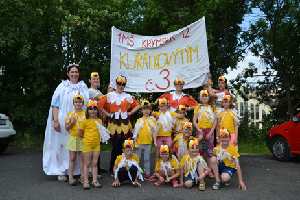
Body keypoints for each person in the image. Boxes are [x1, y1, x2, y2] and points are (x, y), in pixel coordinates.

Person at [43, 64, 89, 182]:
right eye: (72, 72)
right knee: (63, 146)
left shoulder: (83, 87)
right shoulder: (61, 87)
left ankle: (78, 171)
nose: (74, 74)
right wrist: (56, 121)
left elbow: (88, 106)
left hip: (80, 122)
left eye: (76, 72)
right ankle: (61, 170)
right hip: (64, 122)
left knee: (79, 146)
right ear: (67, 74)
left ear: (79, 74)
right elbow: (55, 105)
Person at [97, 75, 141, 177]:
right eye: (119, 83)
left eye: (123, 84)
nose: (120, 86)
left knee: (126, 145)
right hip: (114, 124)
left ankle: (126, 167)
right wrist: (107, 114)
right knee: (116, 147)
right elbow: (99, 104)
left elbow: (138, 105)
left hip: (125, 124)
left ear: (124, 85)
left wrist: (130, 113)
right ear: (116, 84)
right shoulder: (110, 95)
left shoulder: (128, 96)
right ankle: (113, 167)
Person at [78, 98, 110, 189]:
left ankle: (95, 181)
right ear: (87, 110)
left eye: (94, 109)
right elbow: (80, 132)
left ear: (97, 110)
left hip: (96, 145)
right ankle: (86, 181)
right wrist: (87, 138)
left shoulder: (99, 121)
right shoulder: (84, 121)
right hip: (87, 144)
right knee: (87, 163)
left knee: (95, 163)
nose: (93, 111)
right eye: (90, 109)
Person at [152, 98, 182, 177]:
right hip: (159, 137)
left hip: (168, 136)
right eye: (161, 106)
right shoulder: (157, 113)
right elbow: (149, 113)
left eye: (165, 106)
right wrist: (154, 114)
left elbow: (181, 115)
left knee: (169, 152)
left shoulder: (170, 113)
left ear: (167, 106)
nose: (163, 108)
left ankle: (170, 169)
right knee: (158, 154)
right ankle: (156, 171)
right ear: (159, 107)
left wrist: (175, 117)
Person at [193, 90, 217, 178]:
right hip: (200, 131)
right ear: (200, 98)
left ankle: (209, 170)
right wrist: (198, 129)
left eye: (206, 96)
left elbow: (215, 121)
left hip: (209, 131)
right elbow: (194, 121)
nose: (204, 98)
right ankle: (201, 169)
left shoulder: (213, 107)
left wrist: (211, 132)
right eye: (202, 96)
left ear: (208, 97)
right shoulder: (197, 107)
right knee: (200, 151)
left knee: (210, 152)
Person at [88, 71, 108, 175]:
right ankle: (92, 168)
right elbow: (103, 98)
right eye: (94, 79)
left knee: (98, 142)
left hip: (100, 119)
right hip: (94, 119)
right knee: (93, 142)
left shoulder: (98, 90)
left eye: (97, 79)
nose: (96, 80)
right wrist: (110, 92)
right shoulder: (91, 90)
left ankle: (97, 166)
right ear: (90, 80)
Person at [132, 99, 157, 181]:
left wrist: (155, 142)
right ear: (141, 110)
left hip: (148, 143)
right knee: (137, 158)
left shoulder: (152, 120)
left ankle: (147, 174)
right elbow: (136, 133)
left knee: (147, 159)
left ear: (150, 110)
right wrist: (135, 142)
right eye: (144, 109)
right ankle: (136, 173)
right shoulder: (139, 120)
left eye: (148, 109)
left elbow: (154, 132)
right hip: (139, 143)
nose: (146, 111)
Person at [65, 93, 86, 185]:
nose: (78, 104)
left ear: (83, 103)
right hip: (73, 137)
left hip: (82, 138)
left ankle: (82, 176)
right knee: (72, 157)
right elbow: (66, 128)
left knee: (82, 157)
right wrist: (71, 123)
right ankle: (70, 177)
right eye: (76, 102)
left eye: (80, 102)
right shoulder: (70, 114)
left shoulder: (86, 114)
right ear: (73, 103)